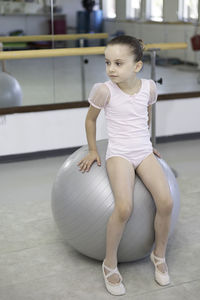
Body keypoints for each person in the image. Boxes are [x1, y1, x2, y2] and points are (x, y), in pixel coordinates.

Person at [77, 35, 173, 296]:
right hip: (119, 153)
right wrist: (94, 149)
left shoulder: (149, 88)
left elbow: (146, 114)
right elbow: (90, 120)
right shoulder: (104, 90)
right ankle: (109, 264)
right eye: (108, 62)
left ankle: (159, 255)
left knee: (166, 201)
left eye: (118, 63)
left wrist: (147, 142)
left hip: (142, 151)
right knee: (124, 207)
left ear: (137, 66)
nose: (111, 69)